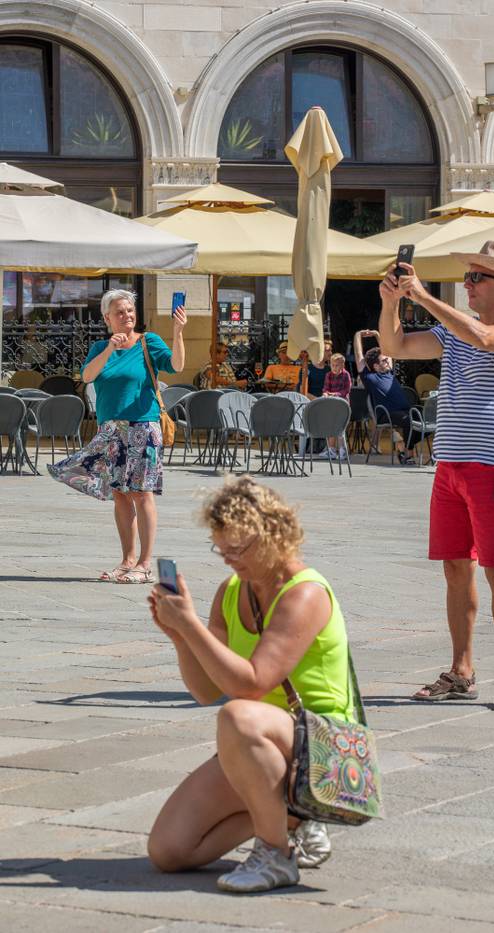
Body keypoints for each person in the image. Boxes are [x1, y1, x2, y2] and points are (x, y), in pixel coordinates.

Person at [147, 476, 355, 893]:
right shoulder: (230, 591)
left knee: (238, 716)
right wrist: (181, 639)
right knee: (169, 851)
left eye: (238, 549)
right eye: (220, 549)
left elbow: (253, 685)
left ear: (274, 534)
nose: (228, 560)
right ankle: (295, 816)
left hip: (327, 748)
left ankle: (275, 852)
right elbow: (206, 691)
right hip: (264, 742)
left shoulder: (305, 594)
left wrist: (190, 624)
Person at [378, 241, 494, 711]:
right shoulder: (452, 332)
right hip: (449, 463)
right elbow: (395, 346)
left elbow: (486, 340)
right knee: (455, 568)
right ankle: (462, 669)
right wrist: (392, 302)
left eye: (477, 278)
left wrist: (424, 297)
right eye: (467, 277)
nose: (467, 285)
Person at [47, 289, 187, 584]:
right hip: (110, 429)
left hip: (142, 426)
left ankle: (145, 564)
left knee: (141, 492)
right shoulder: (100, 347)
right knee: (121, 495)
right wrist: (110, 348)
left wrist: (178, 331)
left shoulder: (149, 342)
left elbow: (176, 366)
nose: (127, 316)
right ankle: (127, 561)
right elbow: (87, 377)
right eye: (120, 312)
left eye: (130, 311)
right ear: (107, 318)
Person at [354, 328, 416, 464]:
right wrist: (358, 335)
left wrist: (377, 334)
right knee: (409, 422)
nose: (388, 361)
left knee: (424, 420)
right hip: (388, 414)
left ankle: (402, 448)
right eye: (384, 361)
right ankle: (407, 454)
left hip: (404, 411)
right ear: (376, 366)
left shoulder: (389, 373)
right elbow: (359, 355)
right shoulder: (369, 377)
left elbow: (387, 352)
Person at [318, 352, 352, 461]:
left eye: (337, 365)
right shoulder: (328, 375)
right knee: (331, 426)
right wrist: (325, 393)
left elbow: (346, 390)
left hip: (342, 404)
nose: (334, 367)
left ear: (342, 365)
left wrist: (334, 394)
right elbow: (325, 388)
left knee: (340, 427)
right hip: (331, 404)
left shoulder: (346, 375)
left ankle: (342, 450)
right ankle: (331, 450)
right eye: (332, 365)